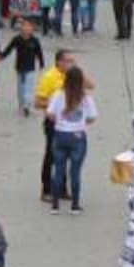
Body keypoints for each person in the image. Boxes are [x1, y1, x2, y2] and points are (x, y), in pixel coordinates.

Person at [48, 66, 98, 215]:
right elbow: (92, 117)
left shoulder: (58, 94)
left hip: (60, 135)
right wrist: (81, 123)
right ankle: (74, 206)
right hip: (78, 136)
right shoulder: (86, 98)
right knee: (75, 172)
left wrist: (60, 120)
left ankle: (55, 205)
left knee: (58, 171)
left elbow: (50, 114)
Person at [0, 18, 45, 117]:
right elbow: (9, 49)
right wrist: (1, 56)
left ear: (32, 29)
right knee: (20, 88)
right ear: (21, 28)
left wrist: (41, 63)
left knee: (28, 87)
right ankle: (21, 104)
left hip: (30, 67)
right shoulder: (17, 39)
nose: (27, 28)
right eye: (24, 26)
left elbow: (39, 52)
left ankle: (27, 106)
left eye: (29, 26)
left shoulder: (35, 40)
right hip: (19, 67)